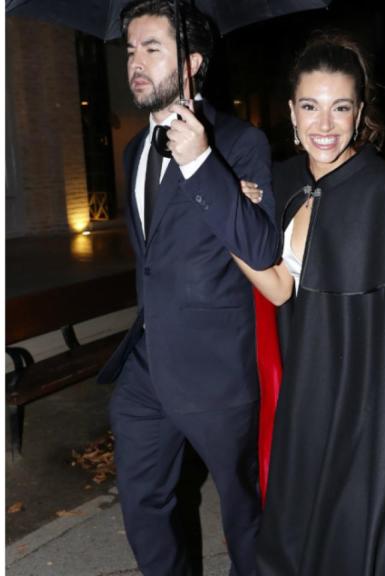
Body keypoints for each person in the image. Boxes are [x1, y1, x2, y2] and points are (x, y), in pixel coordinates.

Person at [230, 33, 385, 575]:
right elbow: (277, 285)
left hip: (369, 405)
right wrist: (233, 218)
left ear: (360, 113)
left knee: (357, 534)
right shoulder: (282, 179)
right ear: (291, 110)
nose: (325, 125)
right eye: (310, 107)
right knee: (292, 530)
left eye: (341, 108)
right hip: (300, 391)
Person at [96, 1, 280, 575]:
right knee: (143, 504)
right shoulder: (134, 150)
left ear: (192, 62)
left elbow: (262, 250)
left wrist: (203, 163)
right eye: (130, 50)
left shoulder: (239, 143)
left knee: (244, 513)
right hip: (147, 367)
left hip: (218, 371)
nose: (136, 63)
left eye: (153, 48)